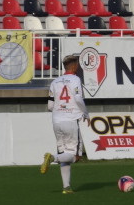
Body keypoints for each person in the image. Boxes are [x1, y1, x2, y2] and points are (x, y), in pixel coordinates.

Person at [40, 55, 89, 194]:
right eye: (77, 65)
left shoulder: (54, 82)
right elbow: (78, 98)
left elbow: (50, 105)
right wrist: (86, 113)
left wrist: (60, 109)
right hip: (71, 120)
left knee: (64, 154)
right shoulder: (76, 79)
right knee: (75, 156)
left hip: (56, 121)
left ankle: (66, 187)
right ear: (74, 66)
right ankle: (52, 158)